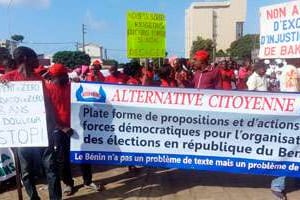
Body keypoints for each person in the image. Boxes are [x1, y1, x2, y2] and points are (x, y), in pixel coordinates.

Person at [0, 46, 62, 200]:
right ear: (26, 58)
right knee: (26, 171)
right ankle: (34, 198)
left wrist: (52, 126)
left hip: (43, 132)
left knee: (51, 167)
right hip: (22, 135)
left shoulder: (39, 79)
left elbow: (47, 104)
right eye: (35, 57)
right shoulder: (7, 79)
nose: (38, 61)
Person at [46, 63, 104, 196]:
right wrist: (62, 127)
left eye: (65, 75)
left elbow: (95, 92)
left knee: (84, 154)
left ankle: (88, 181)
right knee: (63, 159)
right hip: (59, 130)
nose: (65, 77)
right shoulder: (48, 89)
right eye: (61, 76)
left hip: (78, 127)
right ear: (54, 77)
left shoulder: (74, 87)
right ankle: (68, 183)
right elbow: (48, 112)